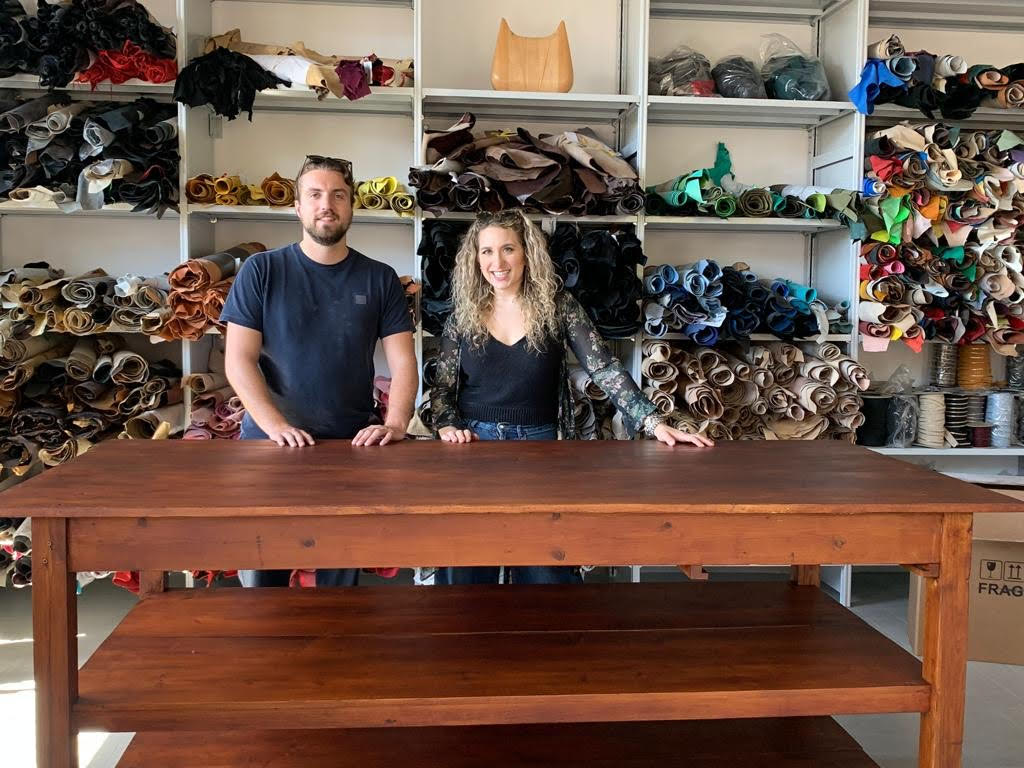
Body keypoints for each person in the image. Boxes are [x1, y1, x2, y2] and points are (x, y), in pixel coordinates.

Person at [430, 210, 712, 586]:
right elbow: (443, 389)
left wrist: (654, 422)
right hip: (474, 449)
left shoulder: (558, 305)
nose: (496, 262)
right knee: (468, 570)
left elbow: (604, 368)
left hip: (540, 449)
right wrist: (448, 424)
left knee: (547, 571)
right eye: (486, 252)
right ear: (474, 258)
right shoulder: (462, 315)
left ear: (527, 253)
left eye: (507, 249)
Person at [221, 155, 418, 588]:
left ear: (351, 207)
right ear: (297, 206)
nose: (326, 205)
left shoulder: (379, 278)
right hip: (268, 446)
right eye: (314, 195)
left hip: (349, 446)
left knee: (338, 579)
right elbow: (238, 359)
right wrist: (275, 426)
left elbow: (404, 362)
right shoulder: (262, 270)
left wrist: (397, 422)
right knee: (262, 580)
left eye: (337, 195)